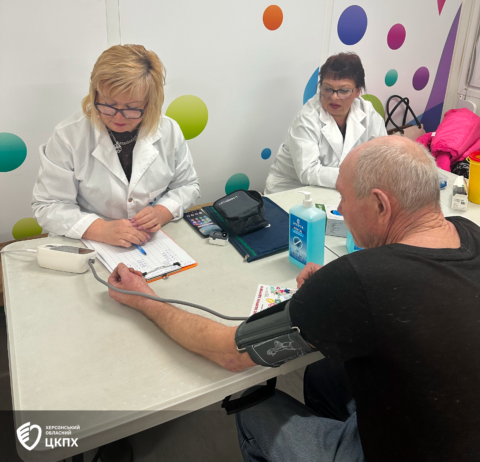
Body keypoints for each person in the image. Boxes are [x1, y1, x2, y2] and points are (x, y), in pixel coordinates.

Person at [106, 136, 480, 461]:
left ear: (381, 205)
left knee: (254, 407)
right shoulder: (468, 232)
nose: (340, 209)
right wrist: (336, 293)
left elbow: (230, 353)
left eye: (344, 198)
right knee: (324, 371)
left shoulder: (358, 281)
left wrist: (144, 298)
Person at [32, 45, 200, 247]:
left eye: (132, 108)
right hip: (91, 242)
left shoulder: (169, 130)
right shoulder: (69, 136)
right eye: (109, 105)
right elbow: (49, 205)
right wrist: (101, 229)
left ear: (151, 103)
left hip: (151, 241)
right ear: (95, 94)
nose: (118, 118)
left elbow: (187, 185)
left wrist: (162, 212)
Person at [265, 52, 387, 193]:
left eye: (343, 91)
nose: (334, 97)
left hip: (341, 187)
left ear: (358, 91)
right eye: (327, 89)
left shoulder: (368, 112)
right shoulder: (307, 118)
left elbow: (383, 154)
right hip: (292, 189)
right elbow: (308, 172)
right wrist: (356, 177)